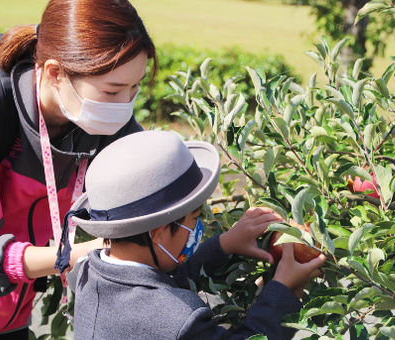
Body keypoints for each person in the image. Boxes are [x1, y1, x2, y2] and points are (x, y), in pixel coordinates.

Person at [0, 0, 156, 338]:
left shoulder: (103, 118)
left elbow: (158, 195)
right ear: (56, 72)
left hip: (8, 316)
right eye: (113, 90)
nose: (125, 106)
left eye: (135, 87)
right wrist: (72, 256)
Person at [69, 130, 326, 339]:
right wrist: (285, 291)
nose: (197, 227)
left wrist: (224, 245)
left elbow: (157, 282)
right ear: (158, 234)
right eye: (195, 219)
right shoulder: (176, 319)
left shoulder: (89, 273)